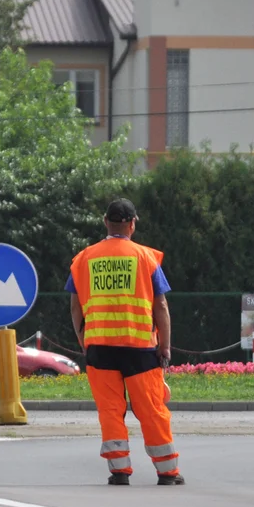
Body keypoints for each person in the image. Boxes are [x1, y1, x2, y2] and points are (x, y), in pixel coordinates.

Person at [66, 199, 182, 486]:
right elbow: (161, 306)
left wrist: (84, 341)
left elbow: (74, 307)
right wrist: (165, 346)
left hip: (100, 349)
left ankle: (119, 470)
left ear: (106, 221)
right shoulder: (145, 258)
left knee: (110, 410)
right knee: (152, 409)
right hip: (140, 349)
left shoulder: (84, 259)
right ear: (133, 223)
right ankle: (167, 472)